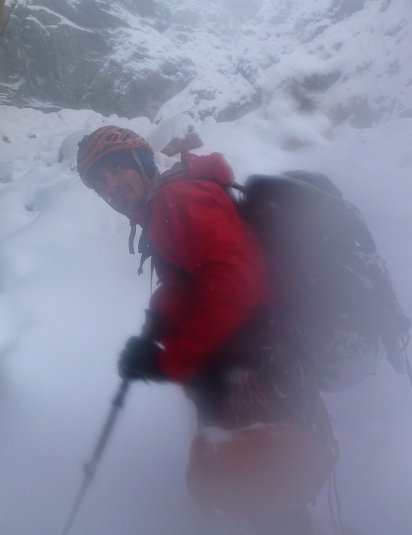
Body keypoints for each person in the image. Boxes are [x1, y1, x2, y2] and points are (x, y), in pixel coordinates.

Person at [76, 125, 335, 535]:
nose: (110, 185)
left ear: (143, 165)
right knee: (267, 489)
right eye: (99, 181)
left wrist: (169, 360)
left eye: (117, 170)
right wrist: (157, 322)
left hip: (252, 367)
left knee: (269, 497)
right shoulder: (165, 205)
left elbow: (235, 281)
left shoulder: (179, 199)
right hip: (246, 361)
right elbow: (190, 277)